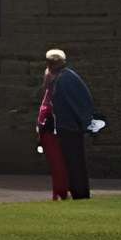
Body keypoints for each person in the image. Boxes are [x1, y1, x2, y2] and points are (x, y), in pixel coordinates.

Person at [45, 47, 97, 200]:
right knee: (73, 161)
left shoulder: (65, 79)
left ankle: (79, 192)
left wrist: (82, 123)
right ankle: (77, 190)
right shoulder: (64, 77)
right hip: (69, 126)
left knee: (75, 162)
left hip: (70, 127)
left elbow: (75, 104)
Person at [35, 58, 71, 200]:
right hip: (51, 130)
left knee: (57, 163)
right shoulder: (50, 93)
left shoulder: (52, 93)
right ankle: (59, 191)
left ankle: (60, 191)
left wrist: (40, 129)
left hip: (51, 131)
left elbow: (46, 113)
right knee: (58, 163)